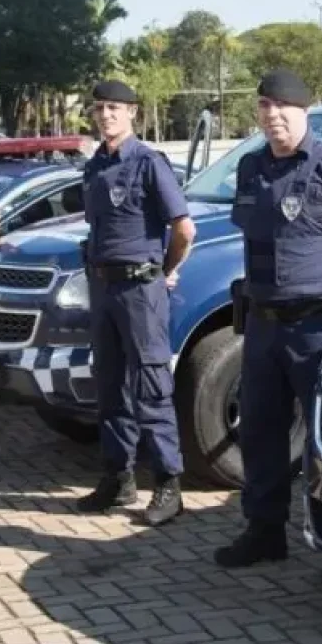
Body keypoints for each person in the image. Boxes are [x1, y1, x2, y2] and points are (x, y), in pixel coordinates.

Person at [213, 69, 322, 582]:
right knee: (261, 432)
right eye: (264, 108)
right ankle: (264, 532)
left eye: (281, 108)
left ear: (303, 111)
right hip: (263, 325)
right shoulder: (251, 168)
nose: (271, 117)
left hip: (317, 327)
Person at [74, 79, 196, 527]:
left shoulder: (148, 163)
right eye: (99, 107)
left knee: (151, 386)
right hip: (104, 287)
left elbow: (183, 228)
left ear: (132, 113)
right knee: (109, 386)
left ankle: (168, 484)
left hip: (140, 289)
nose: (105, 114)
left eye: (114, 108)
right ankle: (118, 477)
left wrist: (163, 270)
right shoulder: (95, 166)